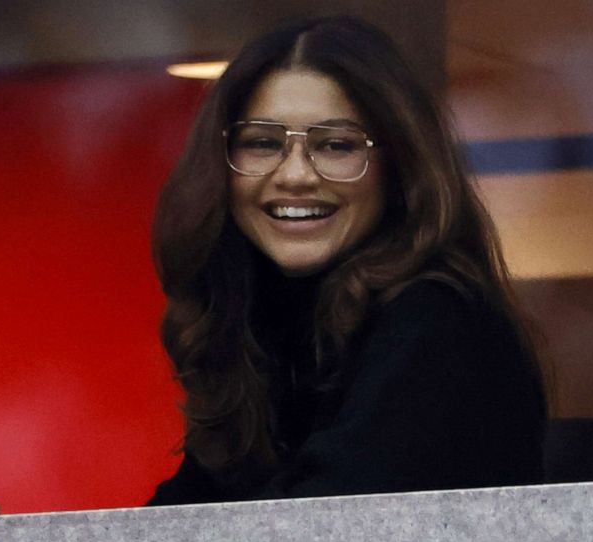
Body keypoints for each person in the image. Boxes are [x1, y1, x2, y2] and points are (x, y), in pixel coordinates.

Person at [146, 16, 547, 505]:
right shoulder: (267, 327)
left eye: (336, 145)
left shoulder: (437, 320)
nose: (294, 175)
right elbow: (172, 527)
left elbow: (320, 530)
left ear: (398, 167)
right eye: (262, 143)